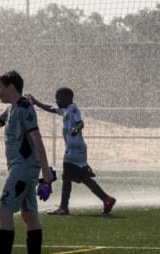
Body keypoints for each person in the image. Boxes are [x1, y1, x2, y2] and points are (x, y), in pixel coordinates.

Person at [0, 70, 56, 254]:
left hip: (24, 168)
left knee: (2, 212)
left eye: (0, 87)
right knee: (29, 215)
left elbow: (37, 138)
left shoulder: (24, 107)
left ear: (11, 86)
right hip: (20, 168)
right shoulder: (12, 109)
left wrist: (46, 170)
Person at [28, 87, 116, 215]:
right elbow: (51, 109)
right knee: (83, 178)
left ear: (67, 99)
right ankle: (106, 199)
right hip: (76, 149)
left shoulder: (73, 108)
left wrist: (76, 129)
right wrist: (36, 102)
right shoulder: (65, 110)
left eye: (58, 98)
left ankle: (64, 207)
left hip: (74, 149)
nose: (56, 100)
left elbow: (81, 122)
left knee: (67, 177)